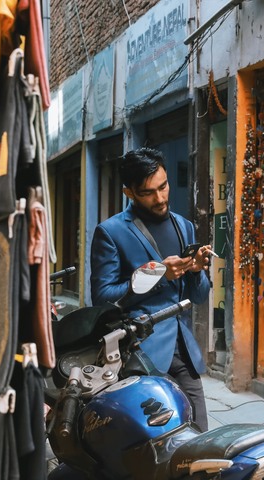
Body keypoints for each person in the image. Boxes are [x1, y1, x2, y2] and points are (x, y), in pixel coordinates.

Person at [90, 147, 212, 431]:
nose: (160, 198)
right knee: (160, 442)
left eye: (164, 186)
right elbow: (104, 298)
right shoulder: (111, 232)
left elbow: (200, 295)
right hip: (140, 354)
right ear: (129, 192)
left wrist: (195, 272)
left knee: (201, 437)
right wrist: (158, 274)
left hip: (183, 351)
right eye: (148, 192)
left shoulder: (184, 226)